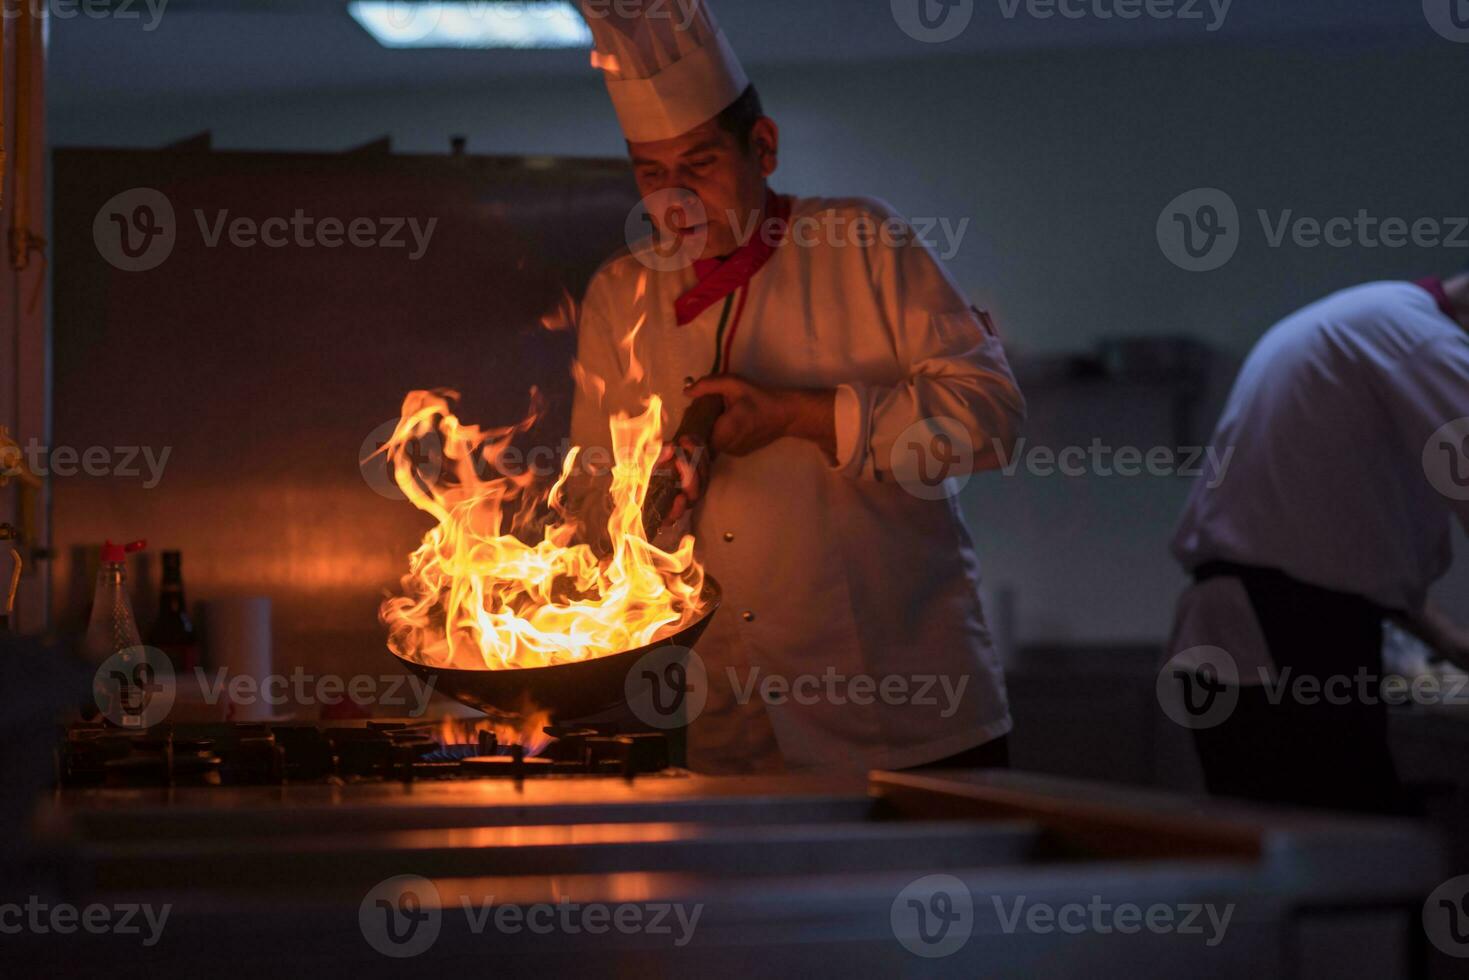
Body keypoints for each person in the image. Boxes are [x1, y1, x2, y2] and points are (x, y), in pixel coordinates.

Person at [569, 0, 1026, 774]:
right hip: (730, 725)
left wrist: (796, 414)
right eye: (651, 174)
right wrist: (644, 506)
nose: (674, 200)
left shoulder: (860, 240)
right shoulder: (620, 294)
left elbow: (989, 421)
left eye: (700, 166)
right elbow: (590, 492)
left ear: (764, 146)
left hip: (907, 714)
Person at [1169, 270, 1469, 815]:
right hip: (1283, 639)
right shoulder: (1418, 337)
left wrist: (1449, 638)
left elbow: (1333, 539)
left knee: (1296, 864)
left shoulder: (1364, 317)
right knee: (1340, 863)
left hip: (1245, 635)